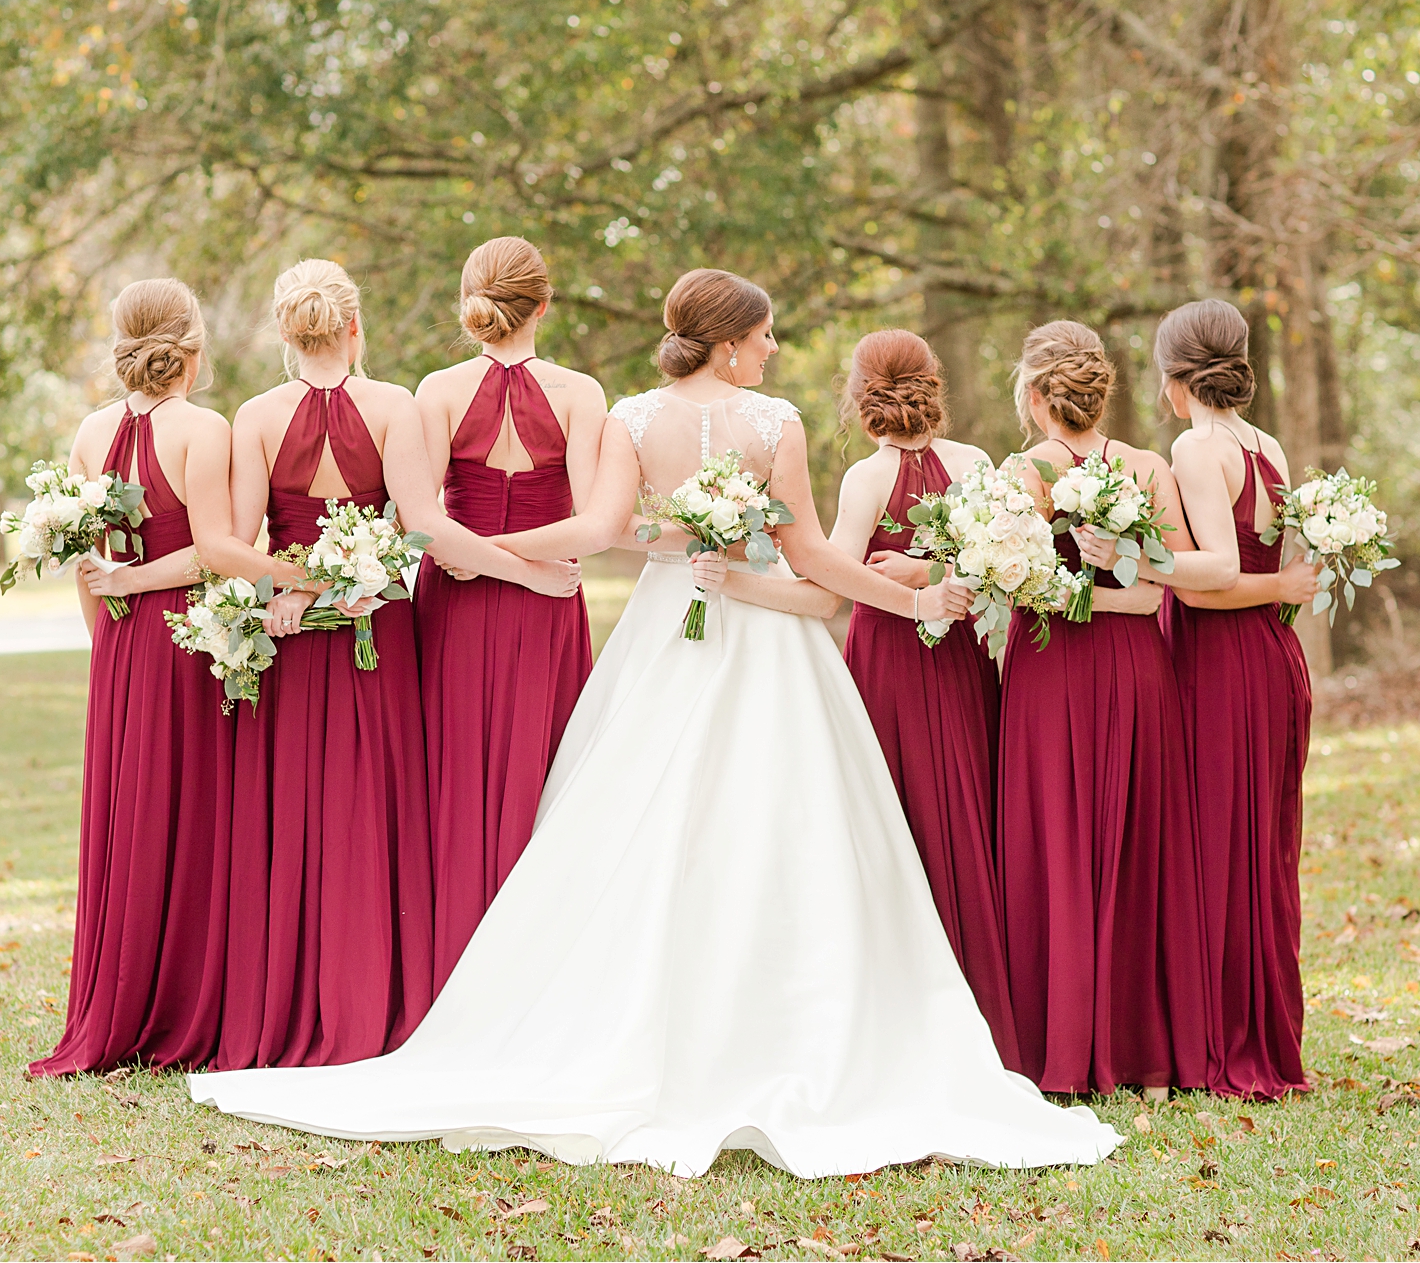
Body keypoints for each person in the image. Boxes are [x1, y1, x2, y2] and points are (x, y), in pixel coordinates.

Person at [188, 270, 1122, 1178]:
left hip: (670, 623)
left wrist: (521, 548)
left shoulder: (633, 414)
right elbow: (807, 556)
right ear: (726, 341)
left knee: (649, 809)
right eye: (763, 337)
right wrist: (903, 601)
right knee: (781, 818)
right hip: (755, 630)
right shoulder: (774, 423)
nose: (773, 351)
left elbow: (613, 529)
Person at [203, 260, 579, 1071]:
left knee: (300, 817)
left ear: (283, 331)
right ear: (354, 327)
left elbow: (232, 547)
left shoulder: (256, 415)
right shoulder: (395, 406)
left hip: (295, 637)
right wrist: (529, 572)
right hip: (381, 635)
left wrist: (295, 582)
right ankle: (390, 1004)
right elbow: (423, 529)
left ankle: (299, 1004)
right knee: (381, 815)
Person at [996, 320, 1227, 1098]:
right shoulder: (1146, 463)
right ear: (1100, 391)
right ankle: (1147, 1059)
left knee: (1056, 844)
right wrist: (1118, 588)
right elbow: (1163, 584)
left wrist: (1076, 592)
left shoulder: (1024, 468)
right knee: (1137, 848)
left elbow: (1016, 584)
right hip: (1137, 671)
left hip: (1050, 669)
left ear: (1035, 395)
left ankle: (1056, 1053)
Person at [31, 278, 247, 1075]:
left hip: (120, 646)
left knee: (135, 817)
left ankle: (121, 1003)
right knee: (188, 815)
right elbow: (215, 550)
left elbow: (83, 559)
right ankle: (188, 1006)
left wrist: (108, 633)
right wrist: (137, 589)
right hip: (185, 634)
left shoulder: (92, 430)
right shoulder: (204, 427)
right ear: (193, 344)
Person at [412, 237, 604, 992]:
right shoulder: (581, 393)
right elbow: (592, 523)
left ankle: (457, 973)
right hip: (547, 603)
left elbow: (424, 524)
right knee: (544, 780)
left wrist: (488, 557)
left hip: (460, 601)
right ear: (545, 305)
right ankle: (538, 977)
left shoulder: (436, 390)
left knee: (456, 784)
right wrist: (530, 572)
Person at [829, 329, 1019, 1068]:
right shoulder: (975, 463)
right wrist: (937, 567)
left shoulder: (866, 479)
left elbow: (839, 576)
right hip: (955, 649)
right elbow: (1002, 553)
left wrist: (912, 570)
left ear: (860, 394)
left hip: (898, 651)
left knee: (899, 809)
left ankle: (913, 1006)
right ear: (932, 383)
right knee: (960, 805)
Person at [1151, 298, 1320, 1100]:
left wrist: (1140, 563)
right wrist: (1282, 587)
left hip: (1220, 663)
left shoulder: (1197, 446)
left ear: (1174, 377)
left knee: (1219, 847)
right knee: (1261, 849)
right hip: (1276, 660)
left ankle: (1226, 1042)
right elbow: (1276, 567)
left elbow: (1214, 579)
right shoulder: (1267, 444)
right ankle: (1263, 1034)